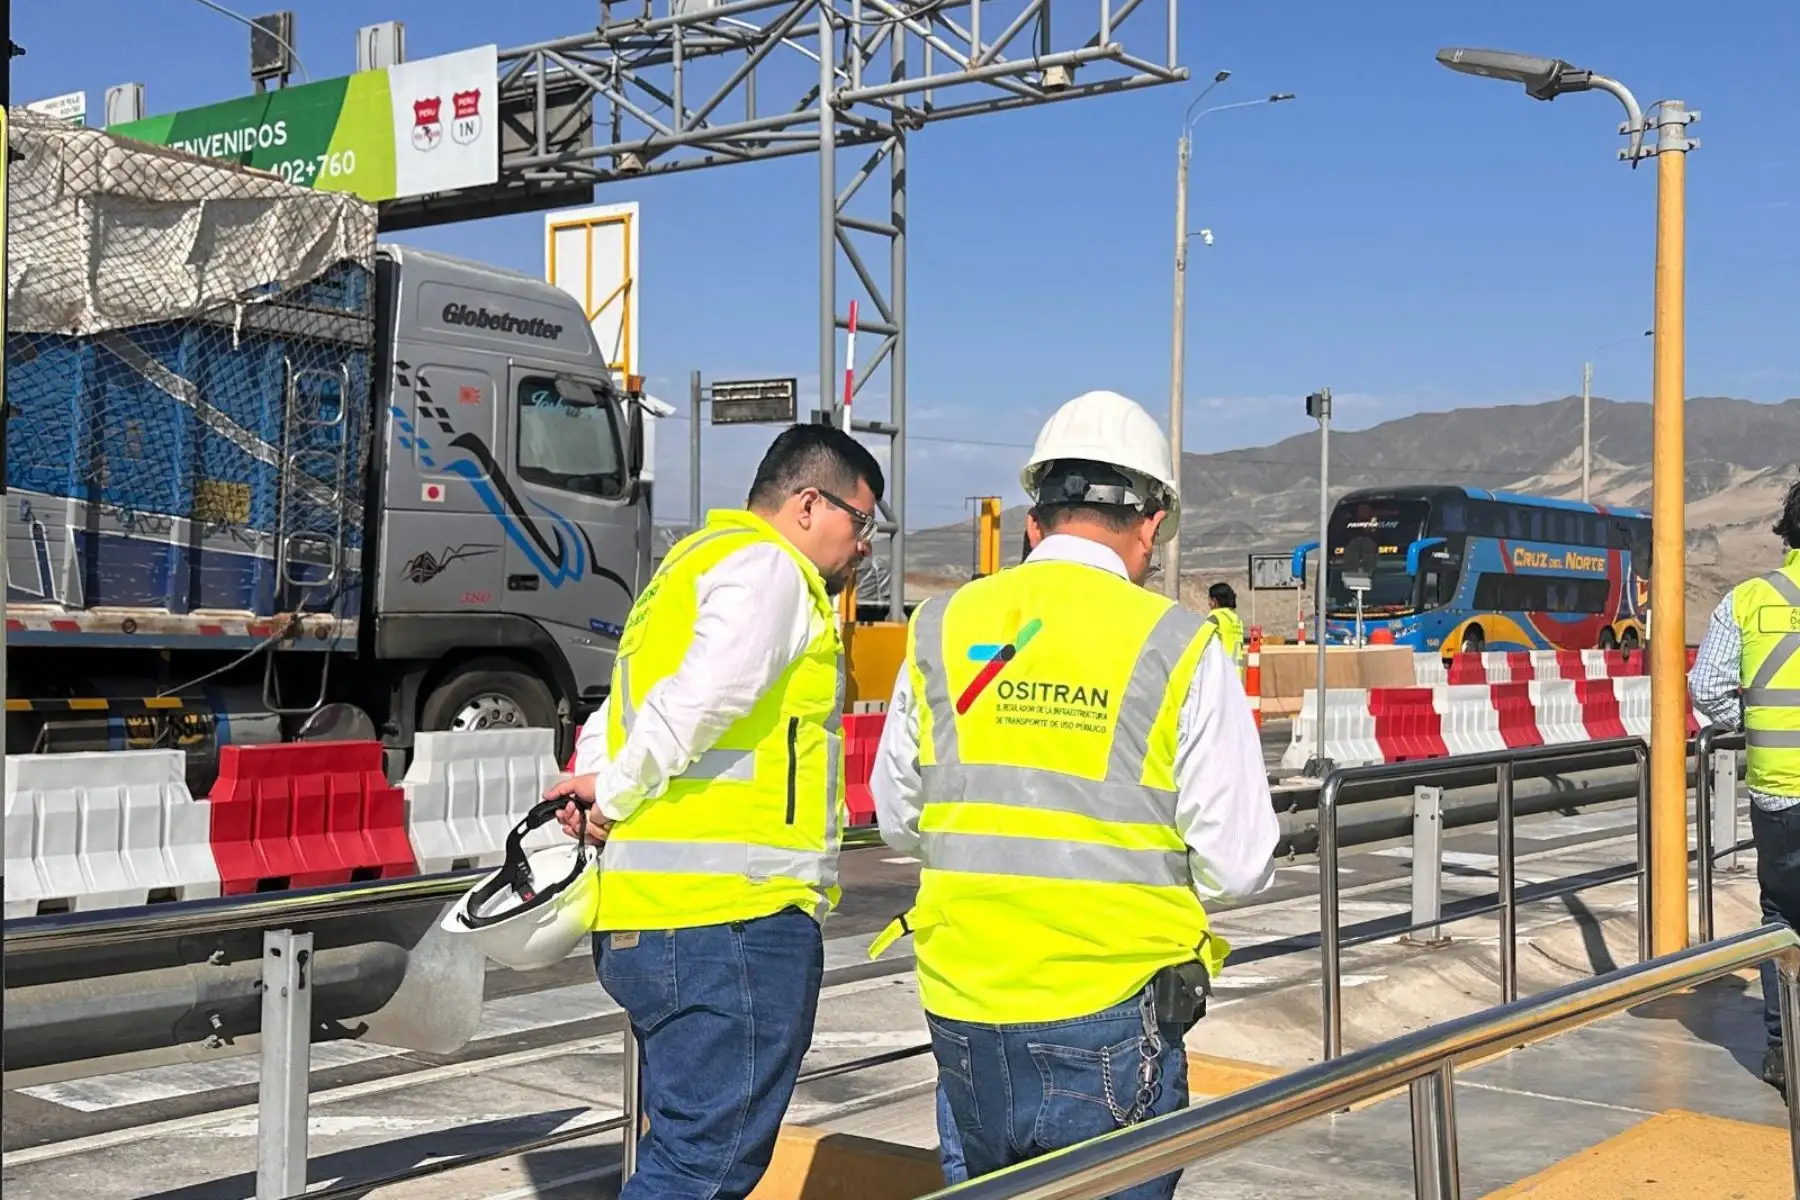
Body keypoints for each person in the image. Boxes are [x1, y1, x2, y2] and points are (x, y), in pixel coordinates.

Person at [870, 390, 1280, 1198]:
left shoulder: (942, 626)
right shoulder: (1177, 645)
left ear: (1035, 521)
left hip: (963, 1002)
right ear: (1151, 525)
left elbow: (897, 818)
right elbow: (1237, 864)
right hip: (1110, 1010)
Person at [545, 422, 884, 1199]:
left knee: (684, 1154)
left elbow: (621, 708)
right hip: (728, 921)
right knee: (702, 1168)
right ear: (807, 505)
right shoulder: (771, 571)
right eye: (859, 520)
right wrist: (614, 793)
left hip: (649, 918)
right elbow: (703, 698)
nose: (863, 544)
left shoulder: (688, 567)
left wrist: (597, 784)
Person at [1691, 476, 1800, 1097]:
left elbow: (1707, 687)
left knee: (1783, 915)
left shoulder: (1749, 599)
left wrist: (1755, 723)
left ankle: (1785, 1049)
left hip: (1780, 794)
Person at [1205, 581, 1248, 683]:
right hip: (1236, 672)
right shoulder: (1236, 619)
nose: (1208, 603)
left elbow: (1203, 642)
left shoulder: (1215, 617)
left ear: (1215, 601)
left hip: (1221, 672)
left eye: (1209, 600)